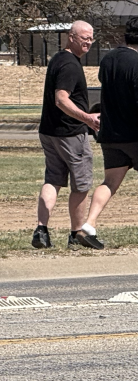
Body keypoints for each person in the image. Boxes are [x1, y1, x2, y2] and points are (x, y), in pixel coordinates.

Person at [33, 20, 102, 250]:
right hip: (70, 134)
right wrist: (88, 118)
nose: (88, 42)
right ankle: (76, 233)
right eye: (84, 38)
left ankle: (41, 230)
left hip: (49, 132)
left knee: (53, 180)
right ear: (71, 37)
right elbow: (61, 99)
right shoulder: (70, 65)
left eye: (91, 38)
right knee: (81, 185)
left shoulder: (57, 59)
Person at [84, 17, 138, 241]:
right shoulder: (136, 63)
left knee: (109, 183)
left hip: (110, 134)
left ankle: (89, 224)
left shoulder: (108, 59)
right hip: (134, 134)